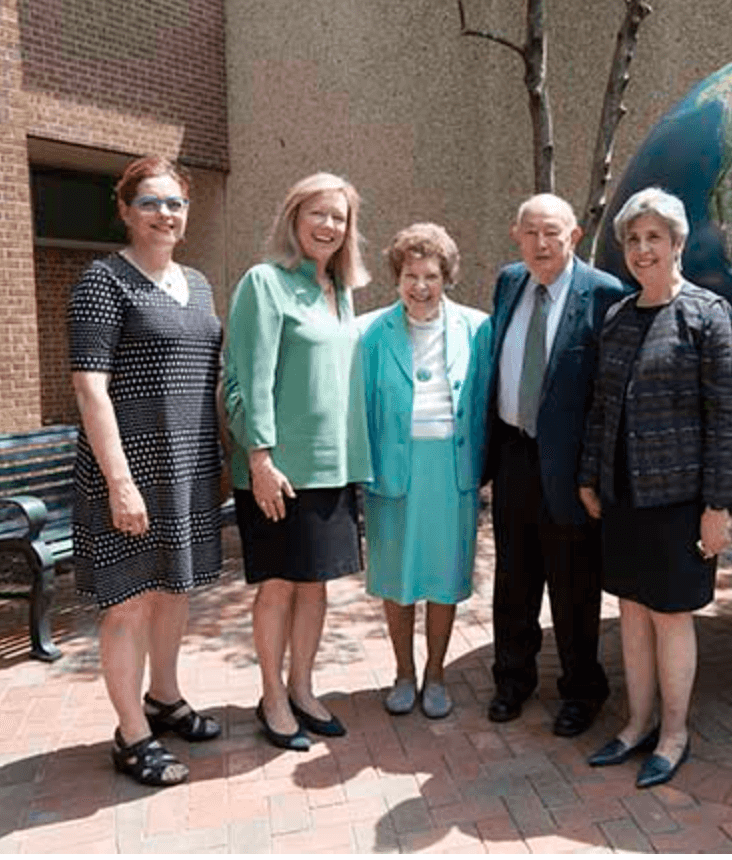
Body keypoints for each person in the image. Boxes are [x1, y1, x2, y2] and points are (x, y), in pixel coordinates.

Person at [69, 155, 224, 786]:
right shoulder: (103, 280)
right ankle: (131, 733)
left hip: (186, 469)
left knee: (174, 591)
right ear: (127, 211)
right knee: (128, 603)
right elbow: (89, 387)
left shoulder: (200, 284)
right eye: (152, 203)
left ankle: (164, 698)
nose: (166, 214)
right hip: (129, 471)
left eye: (176, 204)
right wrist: (119, 480)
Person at [578, 187, 732, 788]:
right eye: (634, 239)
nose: (643, 249)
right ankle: (637, 722)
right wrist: (590, 476)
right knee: (631, 611)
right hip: (623, 497)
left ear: (677, 243)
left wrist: (717, 507)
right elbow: (601, 407)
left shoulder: (707, 315)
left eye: (655, 238)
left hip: (680, 501)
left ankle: (674, 733)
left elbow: (726, 418)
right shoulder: (619, 316)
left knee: (671, 615)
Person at [223, 172, 372, 751]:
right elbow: (244, 380)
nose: (329, 225)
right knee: (280, 586)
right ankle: (272, 696)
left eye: (339, 217)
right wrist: (258, 457)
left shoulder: (342, 292)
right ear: (294, 217)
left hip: (332, 468)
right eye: (318, 213)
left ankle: (304, 688)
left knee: (316, 587)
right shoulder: (265, 283)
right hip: (278, 471)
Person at [485, 193, 632, 736]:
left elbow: (609, 397)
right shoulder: (508, 283)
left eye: (552, 233)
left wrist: (593, 474)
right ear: (516, 235)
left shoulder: (605, 294)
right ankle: (512, 680)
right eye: (530, 233)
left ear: (574, 236)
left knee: (574, 586)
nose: (541, 244)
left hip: (572, 469)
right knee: (513, 580)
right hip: (514, 455)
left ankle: (582, 690)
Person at [360, 223, 491, 720]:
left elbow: (484, 403)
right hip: (394, 469)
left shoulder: (478, 328)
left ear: (447, 277)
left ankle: (436, 673)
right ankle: (403, 673)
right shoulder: (372, 333)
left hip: (451, 471)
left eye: (431, 275)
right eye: (411, 275)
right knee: (397, 578)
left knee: (442, 576)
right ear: (397, 277)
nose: (420, 286)